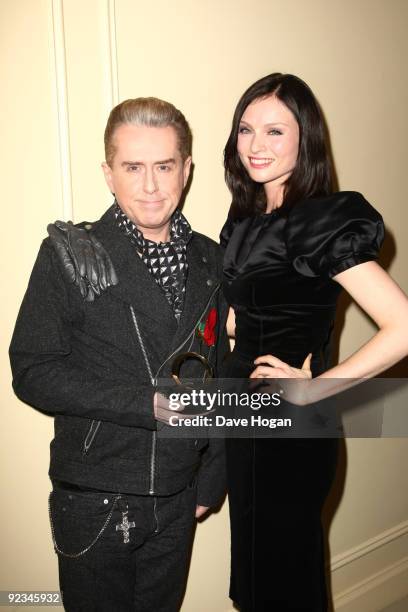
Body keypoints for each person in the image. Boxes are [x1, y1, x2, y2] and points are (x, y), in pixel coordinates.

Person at [9, 97, 229, 612]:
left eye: (164, 166)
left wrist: (212, 477)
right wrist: (147, 403)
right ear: (109, 174)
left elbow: (215, 374)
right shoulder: (72, 253)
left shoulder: (210, 258)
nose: (150, 185)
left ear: (186, 169)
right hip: (96, 496)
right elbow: (33, 371)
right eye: (133, 167)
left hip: (179, 493)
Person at [220, 72, 408, 611]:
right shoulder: (247, 219)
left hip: (290, 430)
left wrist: (316, 389)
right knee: (257, 580)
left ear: (306, 140)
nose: (256, 145)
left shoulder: (320, 220)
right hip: (245, 415)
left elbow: (401, 327)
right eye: (246, 129)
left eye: (275, 131)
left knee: (286, 581)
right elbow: (247, 319)